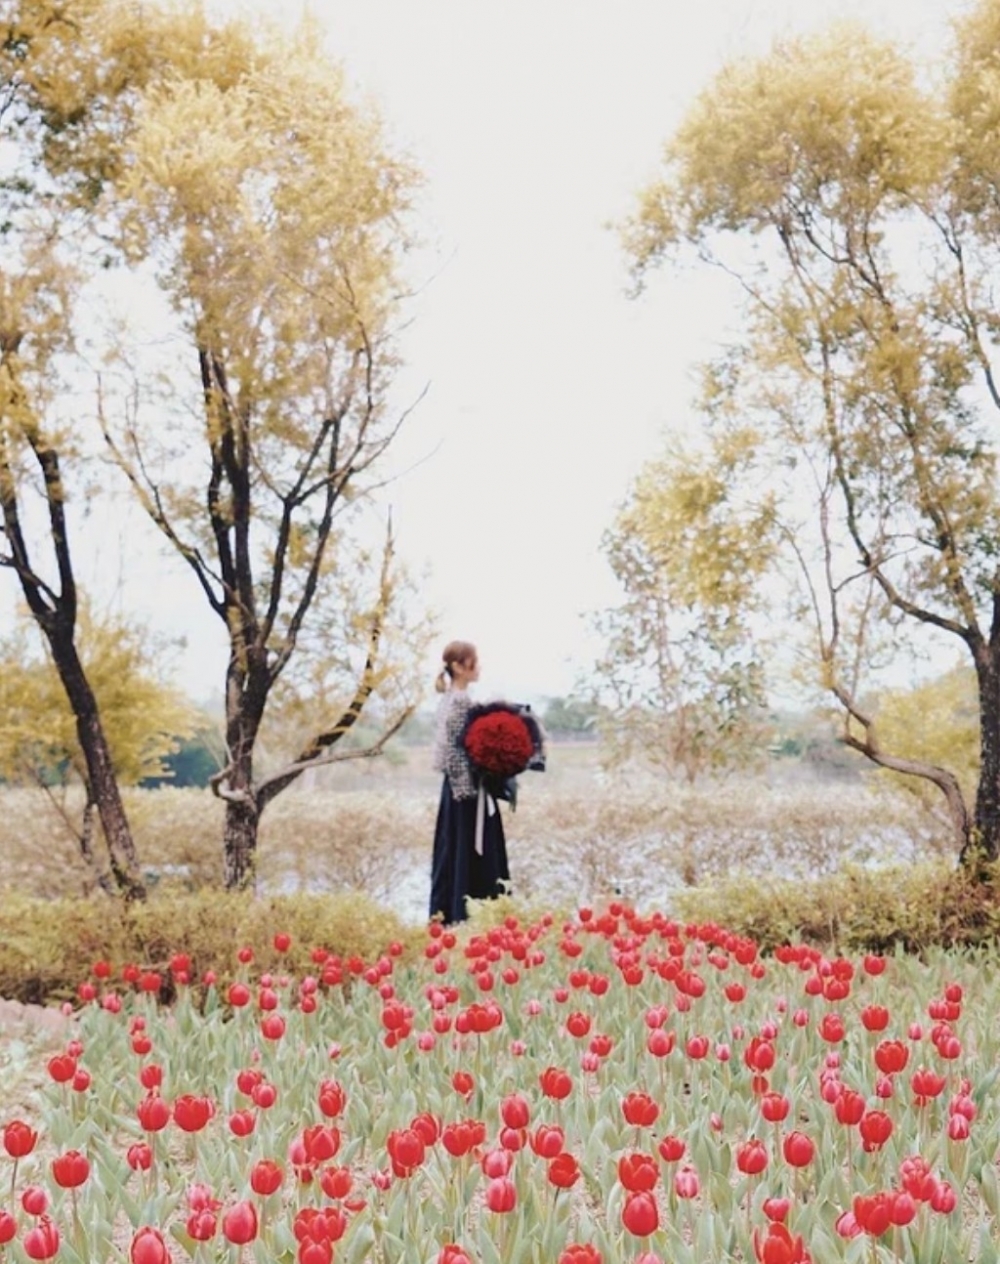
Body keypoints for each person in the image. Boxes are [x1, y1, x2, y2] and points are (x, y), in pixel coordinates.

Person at [429, 640, 510, 924]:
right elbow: (459, 751)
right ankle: (470, 916)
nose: (479, 667)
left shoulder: (449, 699)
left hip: (455, 791)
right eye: (473, 661)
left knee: (452, 853)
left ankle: (449, 915)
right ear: (458, 667)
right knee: (469, 855)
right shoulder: (461, 701)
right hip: (467, 792)